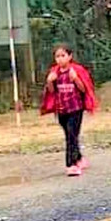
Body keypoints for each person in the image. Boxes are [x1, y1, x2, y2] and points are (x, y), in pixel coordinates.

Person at [40, 44, 100, 176]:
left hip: (75, 109)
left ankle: (71, 164)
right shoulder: (54, 72)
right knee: (69, 135)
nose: (60, 59)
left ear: (70, 56)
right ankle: (79, 158)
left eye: (63, 56)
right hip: (62, 110)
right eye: (57, 56)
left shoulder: (77, 70)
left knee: (72, 135)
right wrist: (49, 81)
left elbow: (84, 89)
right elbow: (52, 92)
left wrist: (75, 79)